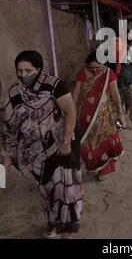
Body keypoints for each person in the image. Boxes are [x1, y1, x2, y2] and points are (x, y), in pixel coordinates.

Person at [1, 50, 82, 238]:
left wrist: (65, 141)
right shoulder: (14, 93)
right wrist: (7, 157)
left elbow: (70, 112)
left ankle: (66, 230)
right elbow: (10, 128)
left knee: (65, 191)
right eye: (19, 71)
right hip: (35, 153)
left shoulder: (54, 86)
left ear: (38, 69)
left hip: (61, 147)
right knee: (46, 190)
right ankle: (52, 221)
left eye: (28, 70)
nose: (23, 75)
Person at [72, 51, 125, 181]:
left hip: (102, 116)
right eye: (91, 68)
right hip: (83, 115)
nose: (94, 70)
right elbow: (76, 93)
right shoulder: (82, 73)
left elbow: (115, 94)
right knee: (84, 143)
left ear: (104, 63)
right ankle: (86, 166)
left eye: (97, 67)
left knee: (104, 142)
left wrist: (120, 113)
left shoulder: (108, 74)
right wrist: (71, 111)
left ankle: (104, 169)